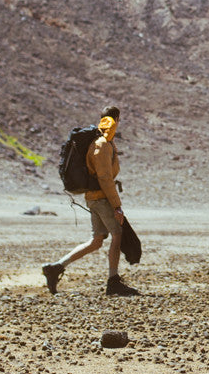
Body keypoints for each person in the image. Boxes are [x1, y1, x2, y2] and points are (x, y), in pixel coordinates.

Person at [41, 106, 141, 297]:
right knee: (117, 234)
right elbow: (105, 178)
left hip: (94, 198)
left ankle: (56, 268)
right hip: (101, 198)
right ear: (117, 119)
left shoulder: (100, 141)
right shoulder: (102, 144)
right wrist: (117, 206)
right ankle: (113, 282)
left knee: (96, 241)